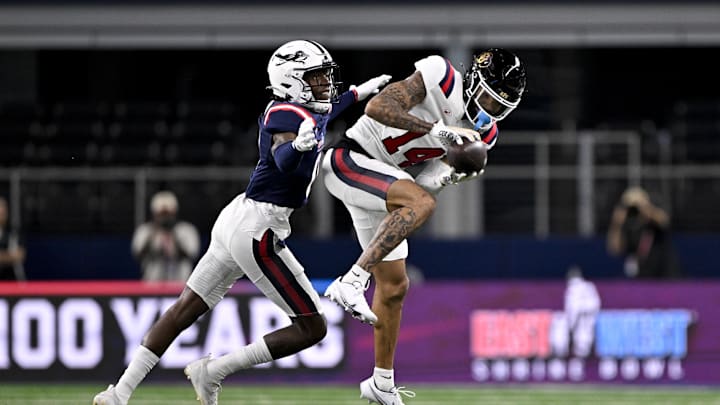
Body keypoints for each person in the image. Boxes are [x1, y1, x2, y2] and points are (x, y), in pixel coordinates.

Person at [92, 39, 390, 405]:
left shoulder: (305, 110)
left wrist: (360, 92)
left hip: (238, 218)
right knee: (312, 327)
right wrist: (296, 148)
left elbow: (328, 111)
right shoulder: (285, 116)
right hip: (259, 229)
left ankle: (118, 393)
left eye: (325, 76)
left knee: (184, 307)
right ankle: (214, 371)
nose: (326, 83)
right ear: (292, 81)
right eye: (316, 77)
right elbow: (282, 154)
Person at [321, 48, 526, 403]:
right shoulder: (441, 76)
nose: (488, 113)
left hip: (384, 182)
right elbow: (378, 108)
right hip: (351, 158)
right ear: (473, 82)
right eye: (487, 101)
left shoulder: (485, 136)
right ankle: (351, 282)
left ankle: (381, 384)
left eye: (498, 109)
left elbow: (429, 181)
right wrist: (437, 129)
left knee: (396, 285)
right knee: (419, 203)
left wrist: (450, 175)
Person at [607, 186, 682, 279]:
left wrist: (644, 206)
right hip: (642, 278)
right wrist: (617, 224)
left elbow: (664, 221)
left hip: (665, 275)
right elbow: (615, 249)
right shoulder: (628, 226)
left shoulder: (653, 223)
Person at [131, 190, 201, 282]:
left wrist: (173, 236)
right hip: (151, 284)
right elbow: (138, 254)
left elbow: (191, 255)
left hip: (181, 285)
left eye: (168, 214)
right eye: (161, 214)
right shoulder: (145, 230)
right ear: (154, 213)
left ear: (174, 212)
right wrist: (153, 235)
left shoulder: (187, 230)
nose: (165, 218)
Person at [0, 197, 26, 281]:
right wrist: (7, 255)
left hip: (11, 282)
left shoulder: (13, 233)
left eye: (4, 209)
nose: (2, 211)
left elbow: (19, 255)